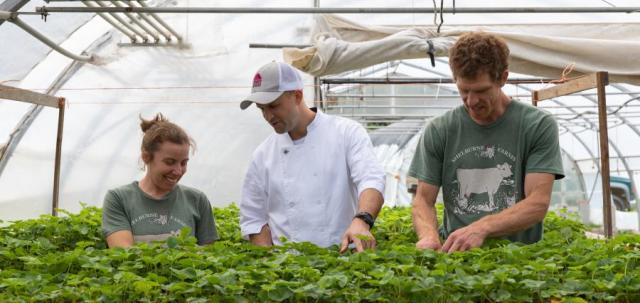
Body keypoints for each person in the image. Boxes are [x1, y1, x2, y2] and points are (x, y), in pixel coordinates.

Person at [409, 32, 564, 253]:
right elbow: (423, 200)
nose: (471, 102)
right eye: (463, 90)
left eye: (481, 91)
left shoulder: (537, 125)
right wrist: (429, 236)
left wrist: (482, 228)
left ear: (503, 77)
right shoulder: (440, 130)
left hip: (519, 259)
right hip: (457, 257)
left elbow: (537, 202)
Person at [239, 61, 385, 252]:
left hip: (343, 259)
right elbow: (253, 218)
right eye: (261, 109)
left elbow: (371, 179)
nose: (268, 116)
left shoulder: (346, 133)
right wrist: (269, 264)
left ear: (297, 95)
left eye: (273, 106)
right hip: (289, 270)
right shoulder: (262, 155)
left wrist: (362, 220)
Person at [102, 113, 218, 248]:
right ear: (146, 157)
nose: (178, 171)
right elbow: (122, 252)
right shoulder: (119, 198)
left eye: (183, 163)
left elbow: (210, 257)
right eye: (170, 162)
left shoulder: (197, 200)